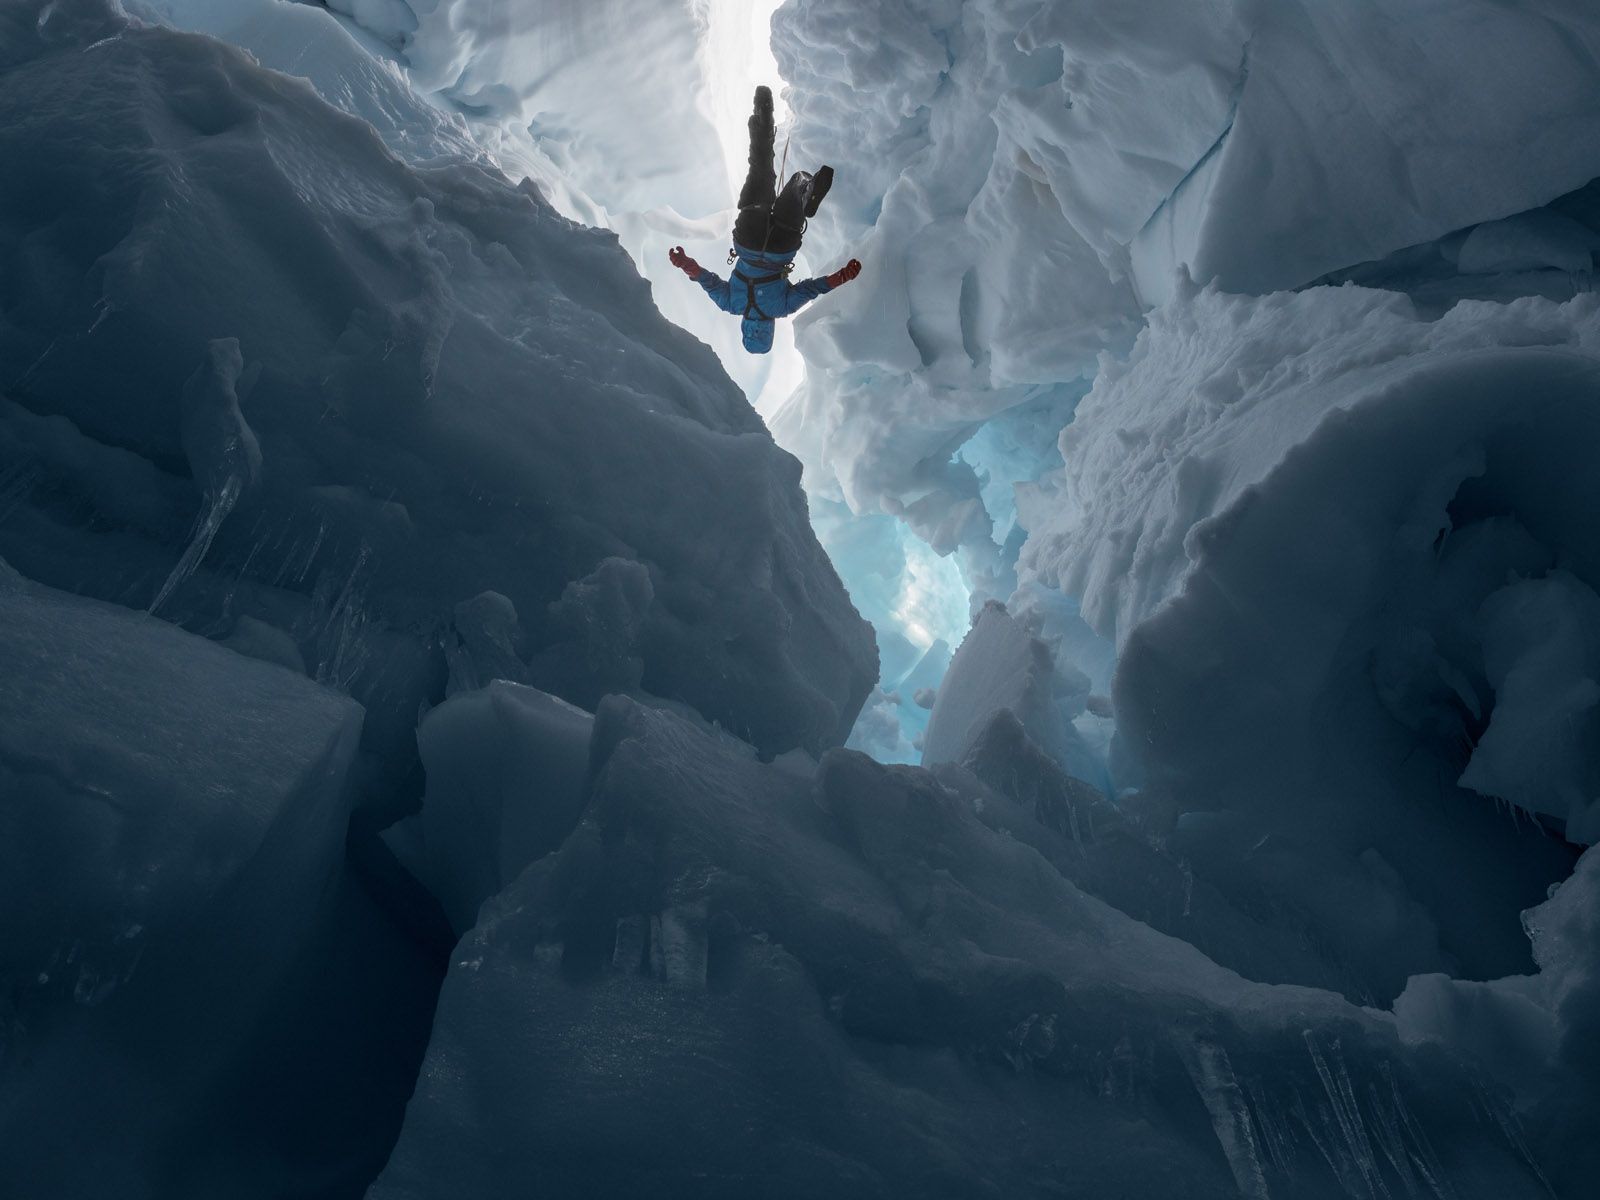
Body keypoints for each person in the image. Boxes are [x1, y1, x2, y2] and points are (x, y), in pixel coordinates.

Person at [667, 86, 862, 355]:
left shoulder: (781, 308)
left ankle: (805, 192)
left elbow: (812, 289)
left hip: (781, 246)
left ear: (769, 331)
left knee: (795, 185)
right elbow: (706, 280)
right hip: (748, 239)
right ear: (745, 328)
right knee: (760, 168)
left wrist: (841, 277)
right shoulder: (731, 305)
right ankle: (763, 119)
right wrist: (684, 263)